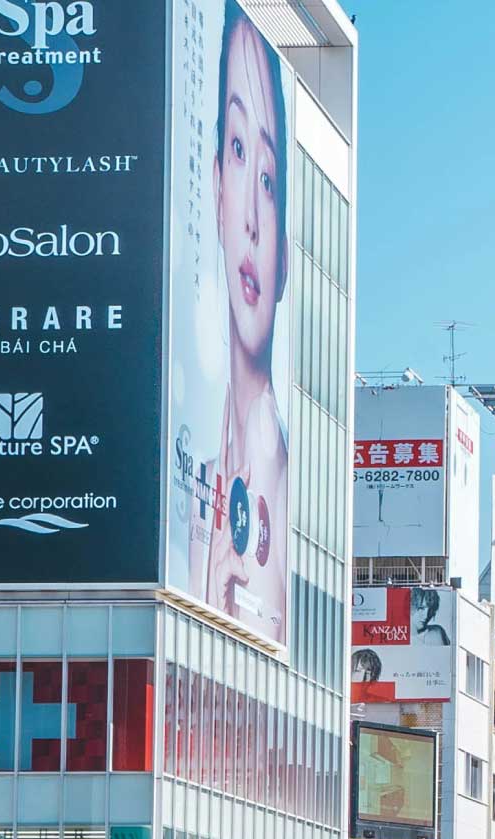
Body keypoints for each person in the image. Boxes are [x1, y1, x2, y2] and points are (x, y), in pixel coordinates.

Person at [201, 0, 293, 641]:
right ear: (212, 182)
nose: (254, 222)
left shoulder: (279, 470)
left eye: (270, 179)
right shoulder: (192, 456)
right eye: (237, 150)